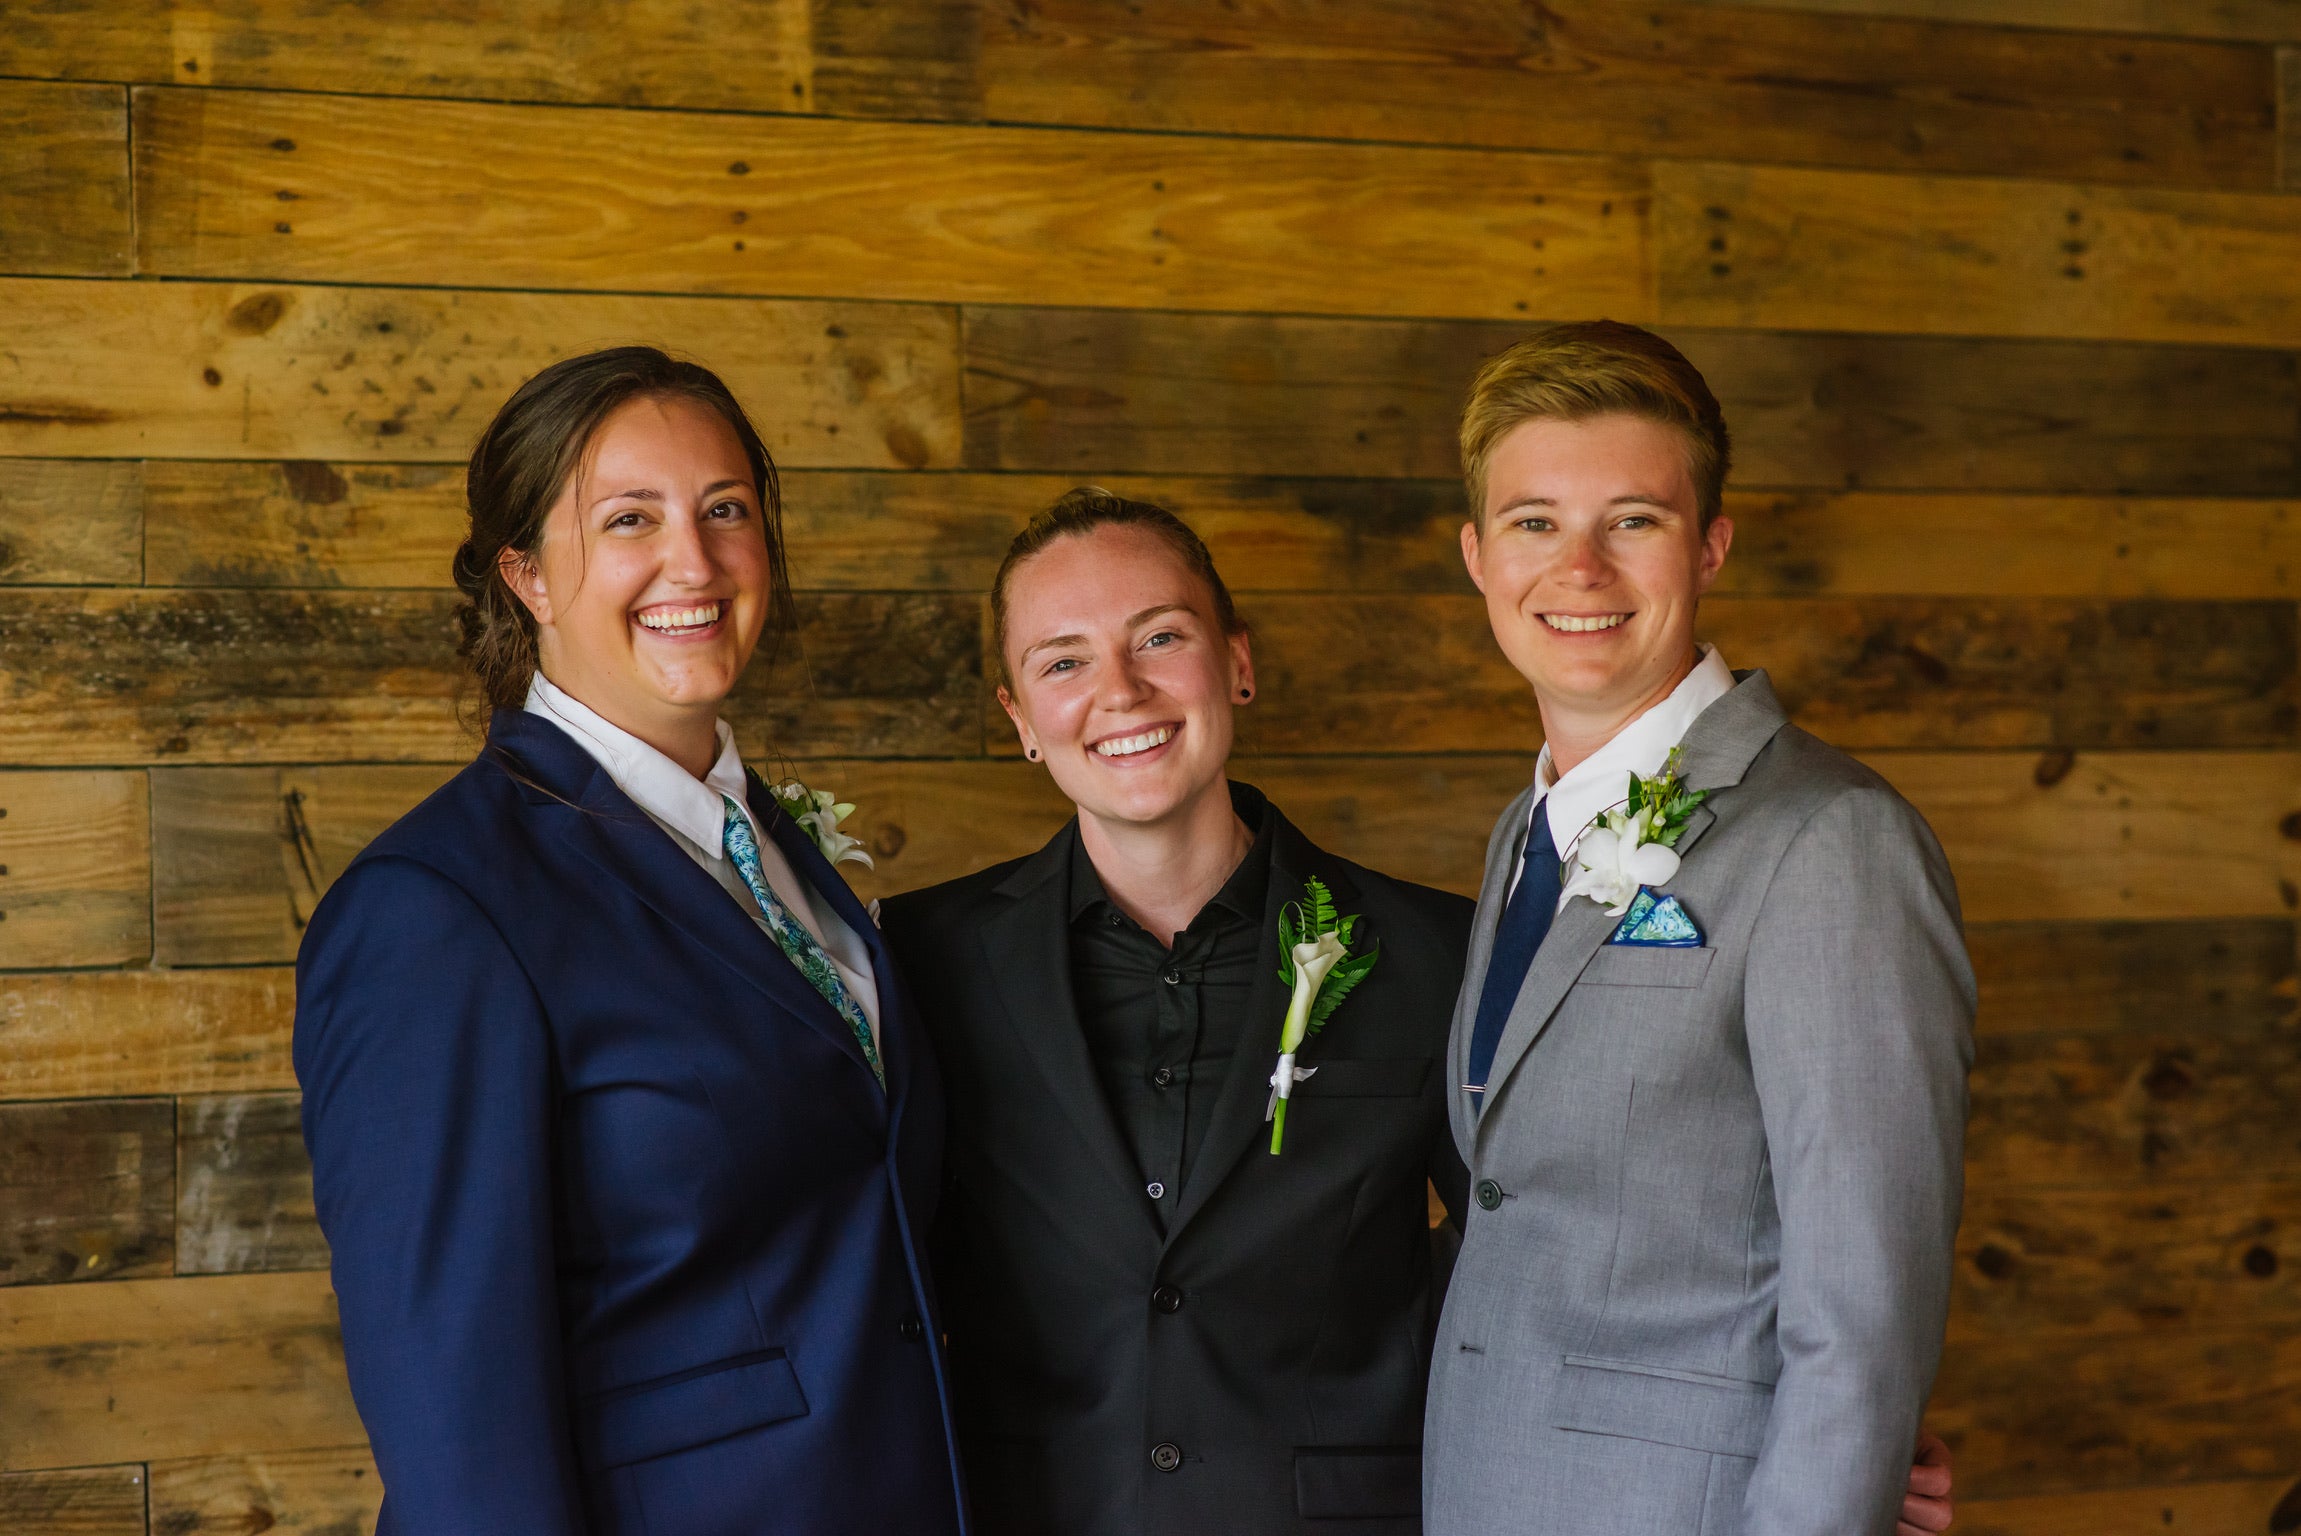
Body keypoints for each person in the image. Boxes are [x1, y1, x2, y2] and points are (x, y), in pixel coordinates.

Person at [881, 490, 1957, 1536]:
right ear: (1020, 718)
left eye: (1160, 637)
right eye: (1062, 661)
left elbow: (1565, 1234)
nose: (1119, 690)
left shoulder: (1440, 952)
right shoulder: (920, 961)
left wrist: (1823, 1437)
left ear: (1238, 664)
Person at [294, 348, 965, 1535]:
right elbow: (457, 1426)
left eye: (726, 511)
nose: (693, 563)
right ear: (528, 577)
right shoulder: (436, 908)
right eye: (629, 520)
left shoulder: (775, 856)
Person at [1422, 322, 1974, 1536]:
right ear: (1476, 556)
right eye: (1533, 523)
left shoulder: (1831, 841)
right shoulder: (1524, 833)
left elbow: (1863, 1315)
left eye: (1632, 519)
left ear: (1710, 545)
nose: (1580, 569)